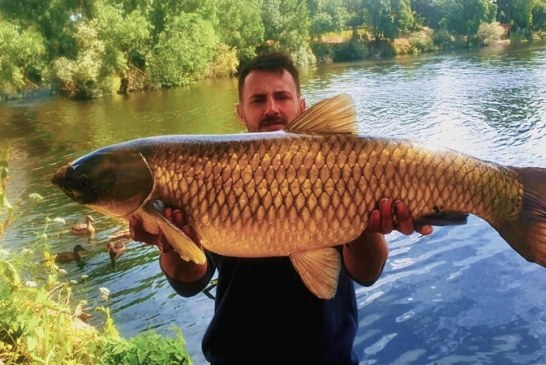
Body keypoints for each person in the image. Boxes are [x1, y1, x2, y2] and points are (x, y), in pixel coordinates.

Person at [130, 52, 432, 365]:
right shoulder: (212, 171)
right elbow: (190, 281)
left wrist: (366, 223)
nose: (272, 108)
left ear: (302, 106)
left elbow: (367, 274)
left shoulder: (339, 166)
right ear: (241, 113)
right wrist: (167, 242)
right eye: (258, 100)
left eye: (282, 97)